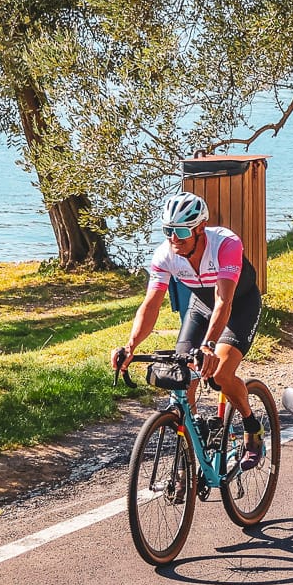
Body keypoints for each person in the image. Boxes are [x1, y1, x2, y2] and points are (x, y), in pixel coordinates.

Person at [115, 193, 266, 469]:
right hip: (200, 307)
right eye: (168, 231)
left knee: (219, 374)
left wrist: (208, 345)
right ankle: (190, 450)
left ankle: (251, 425)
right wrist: (130, 346)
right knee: (182, 374)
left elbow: (224, 301)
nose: (174, 238)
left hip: (239, 305)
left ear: (200, 229)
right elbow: (151, 305)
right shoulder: (165, 256)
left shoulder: (226, 244)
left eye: (182, 231)